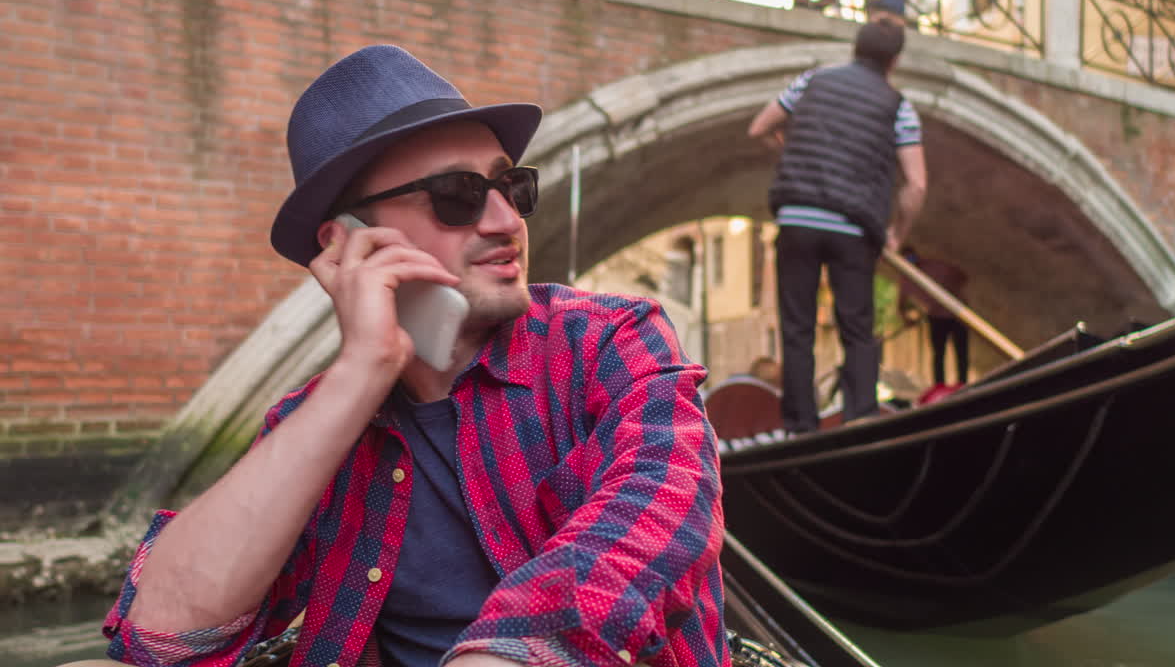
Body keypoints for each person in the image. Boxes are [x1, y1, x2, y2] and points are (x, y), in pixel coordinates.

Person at [77, 45, 726, 667]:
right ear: (347, 242)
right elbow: (162, 639)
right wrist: (360, 372)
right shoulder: (317, 421)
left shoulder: (610, 342)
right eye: (458, 195)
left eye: (512, 185)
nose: (505, 220)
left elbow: (659, 520)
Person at [746, 19, 927, 434]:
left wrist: (791, 147)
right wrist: (897, 234)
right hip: (854, 229)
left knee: (797, 327)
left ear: (856, 48)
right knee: (858, 331)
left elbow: (759, 126)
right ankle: (860, 419)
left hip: (796, 218)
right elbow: (915, 185)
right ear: (895, 60)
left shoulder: (812, 81)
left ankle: (800, 427)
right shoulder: (899, 107)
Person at [897, 246, 969, 387]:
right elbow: (901, 304)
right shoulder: (905, 279)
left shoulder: (936, 266)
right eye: (906, 260)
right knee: (938, 354)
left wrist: (950, 290)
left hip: (957, 314)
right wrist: (906, 318)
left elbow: (962, 276)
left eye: (911, 258)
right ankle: (939, 386)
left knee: (961, 353)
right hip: (936, 317)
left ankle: (962, 384)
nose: (910, 262)